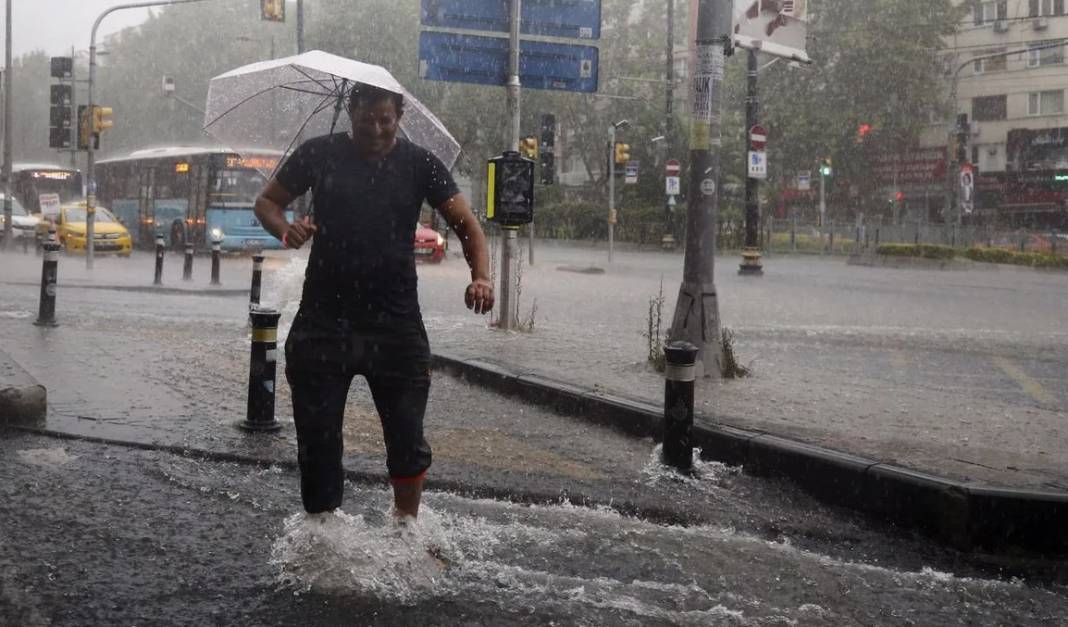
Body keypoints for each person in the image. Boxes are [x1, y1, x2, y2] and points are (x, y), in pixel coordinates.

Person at [254, 82, 493, 522]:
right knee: (318, 437)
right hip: (323, 321)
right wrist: (285, 230)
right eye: (368, 120)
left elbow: (467, 225)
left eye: (387, 120)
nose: (378, 130)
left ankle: (407, 528)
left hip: (395, 322)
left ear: (398, 117)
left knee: (406, 437)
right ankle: (323, 532)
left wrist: (480, 277)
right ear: (352, 113)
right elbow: (267, 202)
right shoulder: (318, 153)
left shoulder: (420, 163)